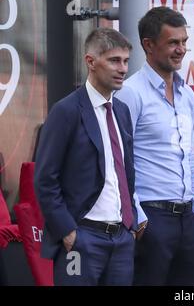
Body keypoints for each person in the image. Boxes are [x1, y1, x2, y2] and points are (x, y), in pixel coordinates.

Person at [34, 28, 146, 285]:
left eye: (126, 61)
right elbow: (45, 179)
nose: (123, 69)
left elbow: (126, 172)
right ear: (91, 62)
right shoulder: (66, 111)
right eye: (114, 60)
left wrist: (131, 224)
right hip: (82, 238)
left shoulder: (122, 110)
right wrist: (68, 231)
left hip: (120, 239)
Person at [116, 6, 194, 286]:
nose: (181, 49)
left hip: (188, 219)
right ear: (148, 45)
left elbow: (192, 155)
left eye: (184, 42)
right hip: (151, 218)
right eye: (173, 42)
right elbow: (120, 160)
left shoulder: (187, 93)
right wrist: (139, 218)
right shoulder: (130, 93)